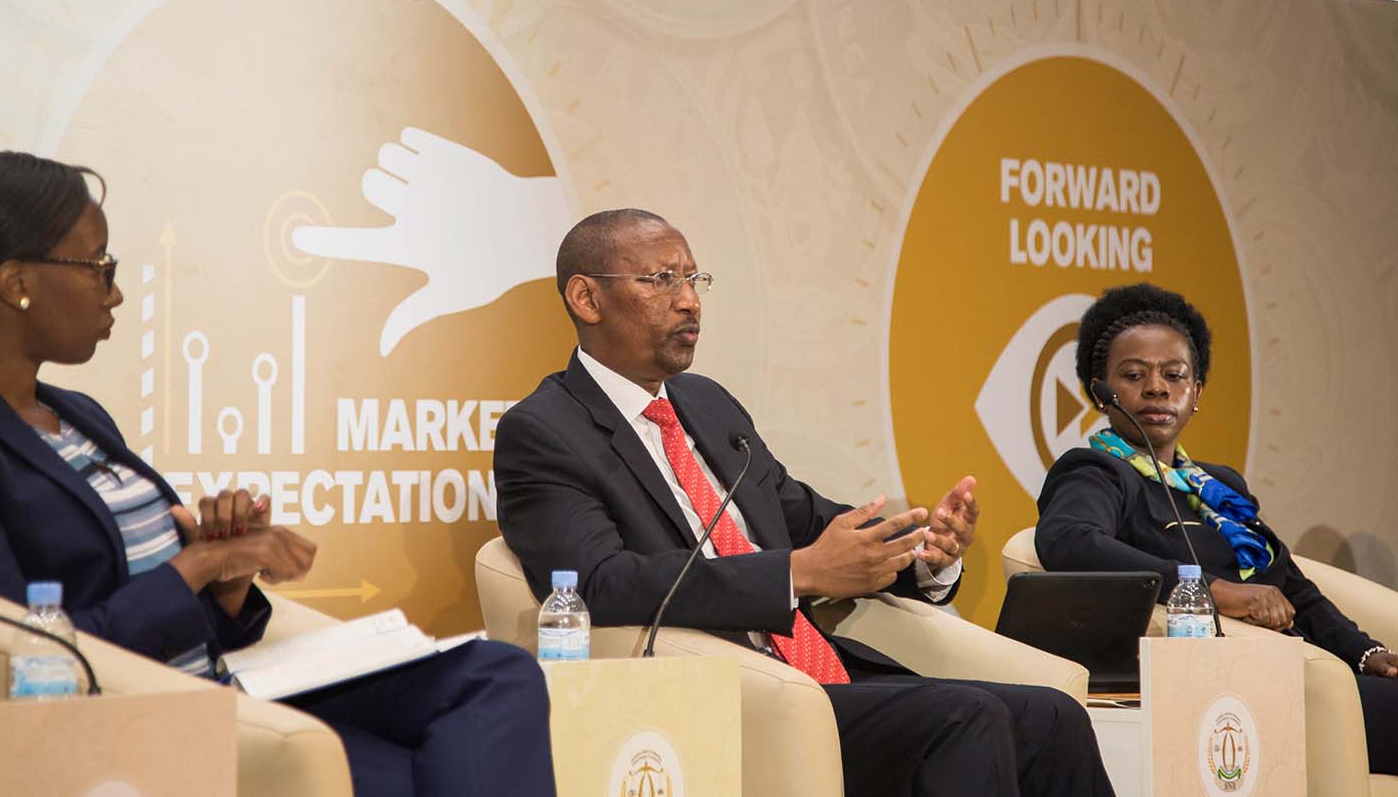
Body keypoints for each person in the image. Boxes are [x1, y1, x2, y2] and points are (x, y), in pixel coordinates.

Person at [0, 151, 556, 797]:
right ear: (15, 283)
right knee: (432, 769)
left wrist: (229, 580)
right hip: (126, 721)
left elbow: (170, 602)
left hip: (223, 683)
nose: (116, 290)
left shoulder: (78, 414)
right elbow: (26, 658)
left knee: (496, 677)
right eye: (99, 266)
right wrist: (197, 569)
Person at [493, 208, 1114, 797]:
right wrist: (800, 572)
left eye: (693, 278)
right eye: (660, 280)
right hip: (723, 689)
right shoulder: (545, 430)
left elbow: (803, 515)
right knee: (966, 716)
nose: (689, 300)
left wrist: (919, 552)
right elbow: (595, 582)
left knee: (1049, 714)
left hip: (814, 671)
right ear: (585, 298)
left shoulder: (706, 404)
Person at [1036, 282, 1398, 773]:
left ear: (1196, 391)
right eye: (1134, 375)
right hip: (1228, 683)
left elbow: (1288, 583)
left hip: (1299, 668)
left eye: (1174, 374)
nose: (1157, 388)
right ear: (1101, 394)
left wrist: (1367, 653)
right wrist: (1211, 590)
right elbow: (1068, 542)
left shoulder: (1219, 486)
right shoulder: (1096, 471)